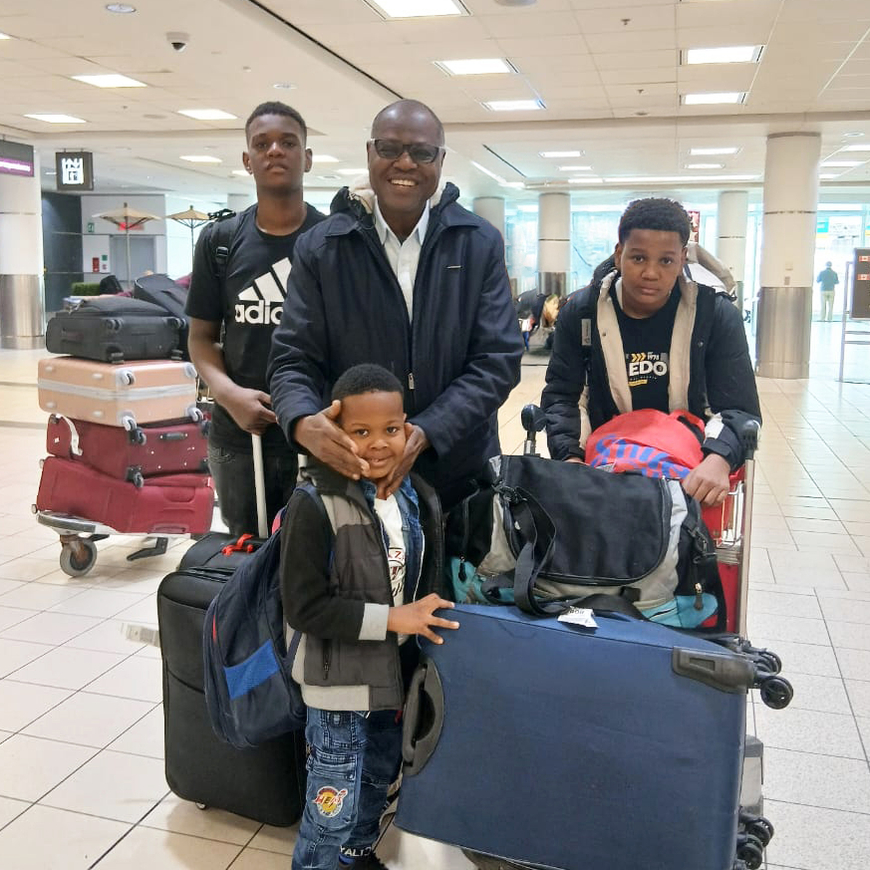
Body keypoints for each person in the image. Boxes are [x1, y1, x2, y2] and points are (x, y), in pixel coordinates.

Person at [267, 99, 523, 511]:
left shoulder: (478, 242)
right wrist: (300, 420)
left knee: (460, 554)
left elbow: (498, 360)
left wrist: (428, 430)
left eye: (422, 152)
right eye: (389, 149)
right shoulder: (321, 247)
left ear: (441, 161)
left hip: (460, 471)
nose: (405, 163)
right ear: (370, 153)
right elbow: (292, 358)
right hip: (356, 474)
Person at [281, 363, 458, 870]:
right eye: (360, 432)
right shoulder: (315, 505)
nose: (379, 444)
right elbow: (305, 608)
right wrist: (393, 620)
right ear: (333, 431)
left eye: (391, 429)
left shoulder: (411, 496)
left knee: (377, 784)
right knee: (331, 810)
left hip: (391, 680)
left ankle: (357, 859)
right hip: (337, 691)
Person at [542, 197, 761, 507]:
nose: (651, 273)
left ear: (682, 259)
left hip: (688, 471)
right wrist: (571, 459)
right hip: (606, 471)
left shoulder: (714, 315)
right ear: (619, 254)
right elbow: (564, 397)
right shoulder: (582, 314)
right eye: (638, 258)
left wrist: (718, 459)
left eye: (666, 261)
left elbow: (739, 408)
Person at [185, 101, 326, 536]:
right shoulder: (220, 241)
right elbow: (201, 338)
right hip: (240, 436)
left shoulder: (333, 241)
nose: (275, 151)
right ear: (248, 161)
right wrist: (229, 396)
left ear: (307, 158)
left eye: (288, 142)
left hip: (317, 434)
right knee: (244, 555)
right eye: (262, 144)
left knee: (315, 560)